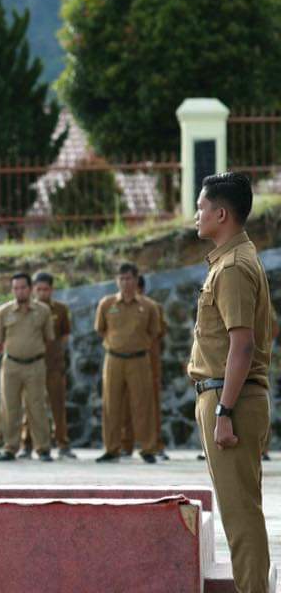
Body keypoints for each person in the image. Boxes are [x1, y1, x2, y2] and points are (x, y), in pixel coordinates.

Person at [190, 172, 273, 592]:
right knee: (240, 512)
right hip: (227, 397)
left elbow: (243, 345)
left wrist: (223, 411)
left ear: (221, 213)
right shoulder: (232, 260)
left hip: (230, 399)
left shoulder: (235, 267)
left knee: (241, 517)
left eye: (202, 207)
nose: (197, 215)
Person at [94, 263, 160, 464]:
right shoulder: (107, 303)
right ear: (116, 280)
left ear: (136, 279)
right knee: (111, 404)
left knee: (143, 404)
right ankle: (111, 448)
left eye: (129, 278)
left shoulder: (148, 306)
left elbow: (154, 332)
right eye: (121, 278)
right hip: (113, 359)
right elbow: (100, 329)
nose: (125, 282)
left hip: (139, 359)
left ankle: (148, 448)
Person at [0, 273, 54, 462]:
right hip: (11, 364)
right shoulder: (3, 312)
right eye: (15, 288)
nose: (19, 291)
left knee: (37, 407)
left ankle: (43, 448)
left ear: (30, 289)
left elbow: (49, 338)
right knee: (10, 407)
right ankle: (10, 447)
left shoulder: (43, 311)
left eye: (23, 287)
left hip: (35, 365)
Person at [23, 272, 76, 459]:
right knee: (31, 406)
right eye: (38, 289)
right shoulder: (27, 309)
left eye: (46, 289)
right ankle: (27, 445)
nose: (42, 293)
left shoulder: (60, 310)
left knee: (58, 406)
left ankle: (63, 444)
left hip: (54, 366)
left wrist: (57, 353)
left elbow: (64, 335)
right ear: (33, 290)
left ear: (52, 290)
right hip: (32, 365)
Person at [119, 274, 168, 460]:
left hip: (149, 362)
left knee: (151, 406)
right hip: (126, 361)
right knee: (125, 404)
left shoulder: (153, 308)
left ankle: (155, 445)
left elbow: (159, 333)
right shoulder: (120, 306)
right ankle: (126, 444)